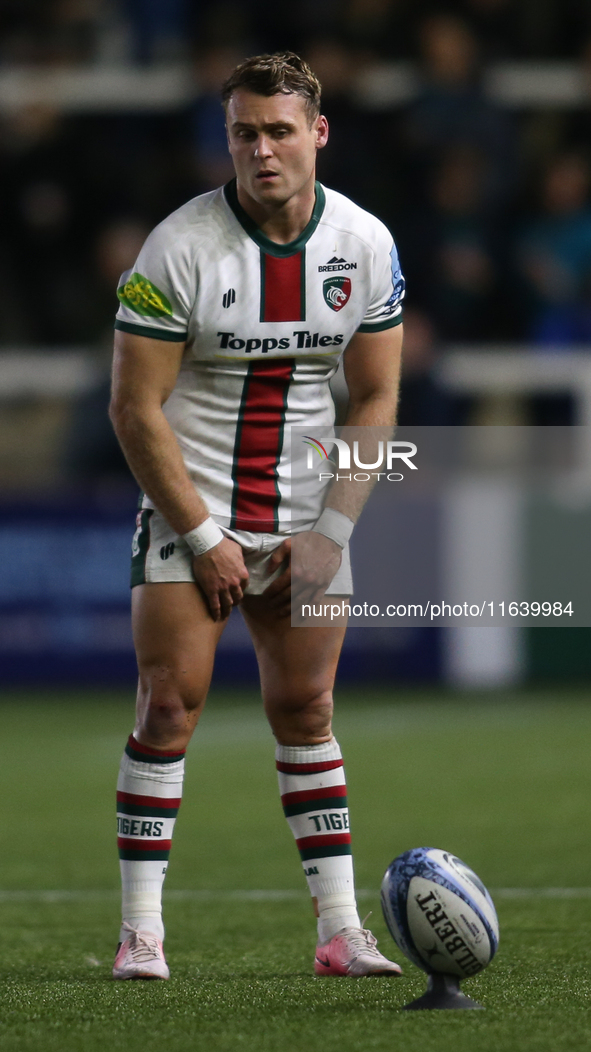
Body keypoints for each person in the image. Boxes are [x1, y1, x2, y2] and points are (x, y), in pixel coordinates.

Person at [109, 51, 405, 981]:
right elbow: (132, 407)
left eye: (280, 130)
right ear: (226, 138)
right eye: (244, 132)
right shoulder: (179, 247)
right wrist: (201, 537)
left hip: (307, 520)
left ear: (318, 133)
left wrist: (333, 532)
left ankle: (339, 931)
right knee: (167, 706)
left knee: (307, 708)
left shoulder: (363, 245)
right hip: (191, 510)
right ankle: (141, 934)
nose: (262, 150)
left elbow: (376, 397)